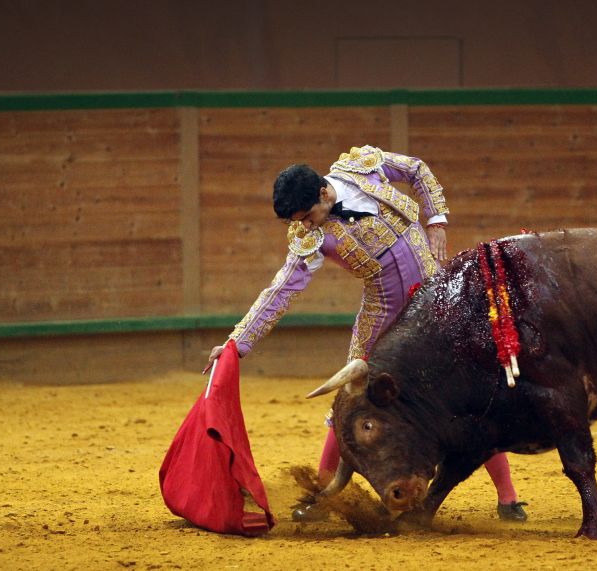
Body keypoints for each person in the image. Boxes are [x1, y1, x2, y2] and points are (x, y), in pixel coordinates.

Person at [205, 145, 528, 523]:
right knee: (349, 398)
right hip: (383, 315)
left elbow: (418, 170)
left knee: (467, 395)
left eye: (309, 216)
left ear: (324, 193)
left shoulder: (359, 166)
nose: (306, 226)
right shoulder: (309, 237)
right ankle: (324, 494)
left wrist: (436, 220)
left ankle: (508, 497)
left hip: (436, 301)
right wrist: (236, 343)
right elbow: (280, 291)